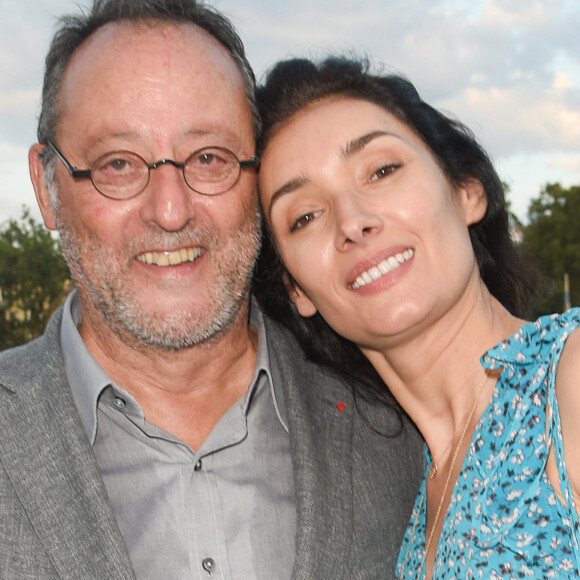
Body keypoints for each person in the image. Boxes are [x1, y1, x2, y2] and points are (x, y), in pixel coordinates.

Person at [0, 2, 425, 579]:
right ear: (48, 188)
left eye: (209, 157)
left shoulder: (397, 426)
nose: (171, 211)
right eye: (119, 164)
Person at [254, 55, 580, 579]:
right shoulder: (416, 500)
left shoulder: (566, 384)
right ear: (296, 291)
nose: (353, 222)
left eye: (381, 171)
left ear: (466, 190)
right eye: (305, 216)